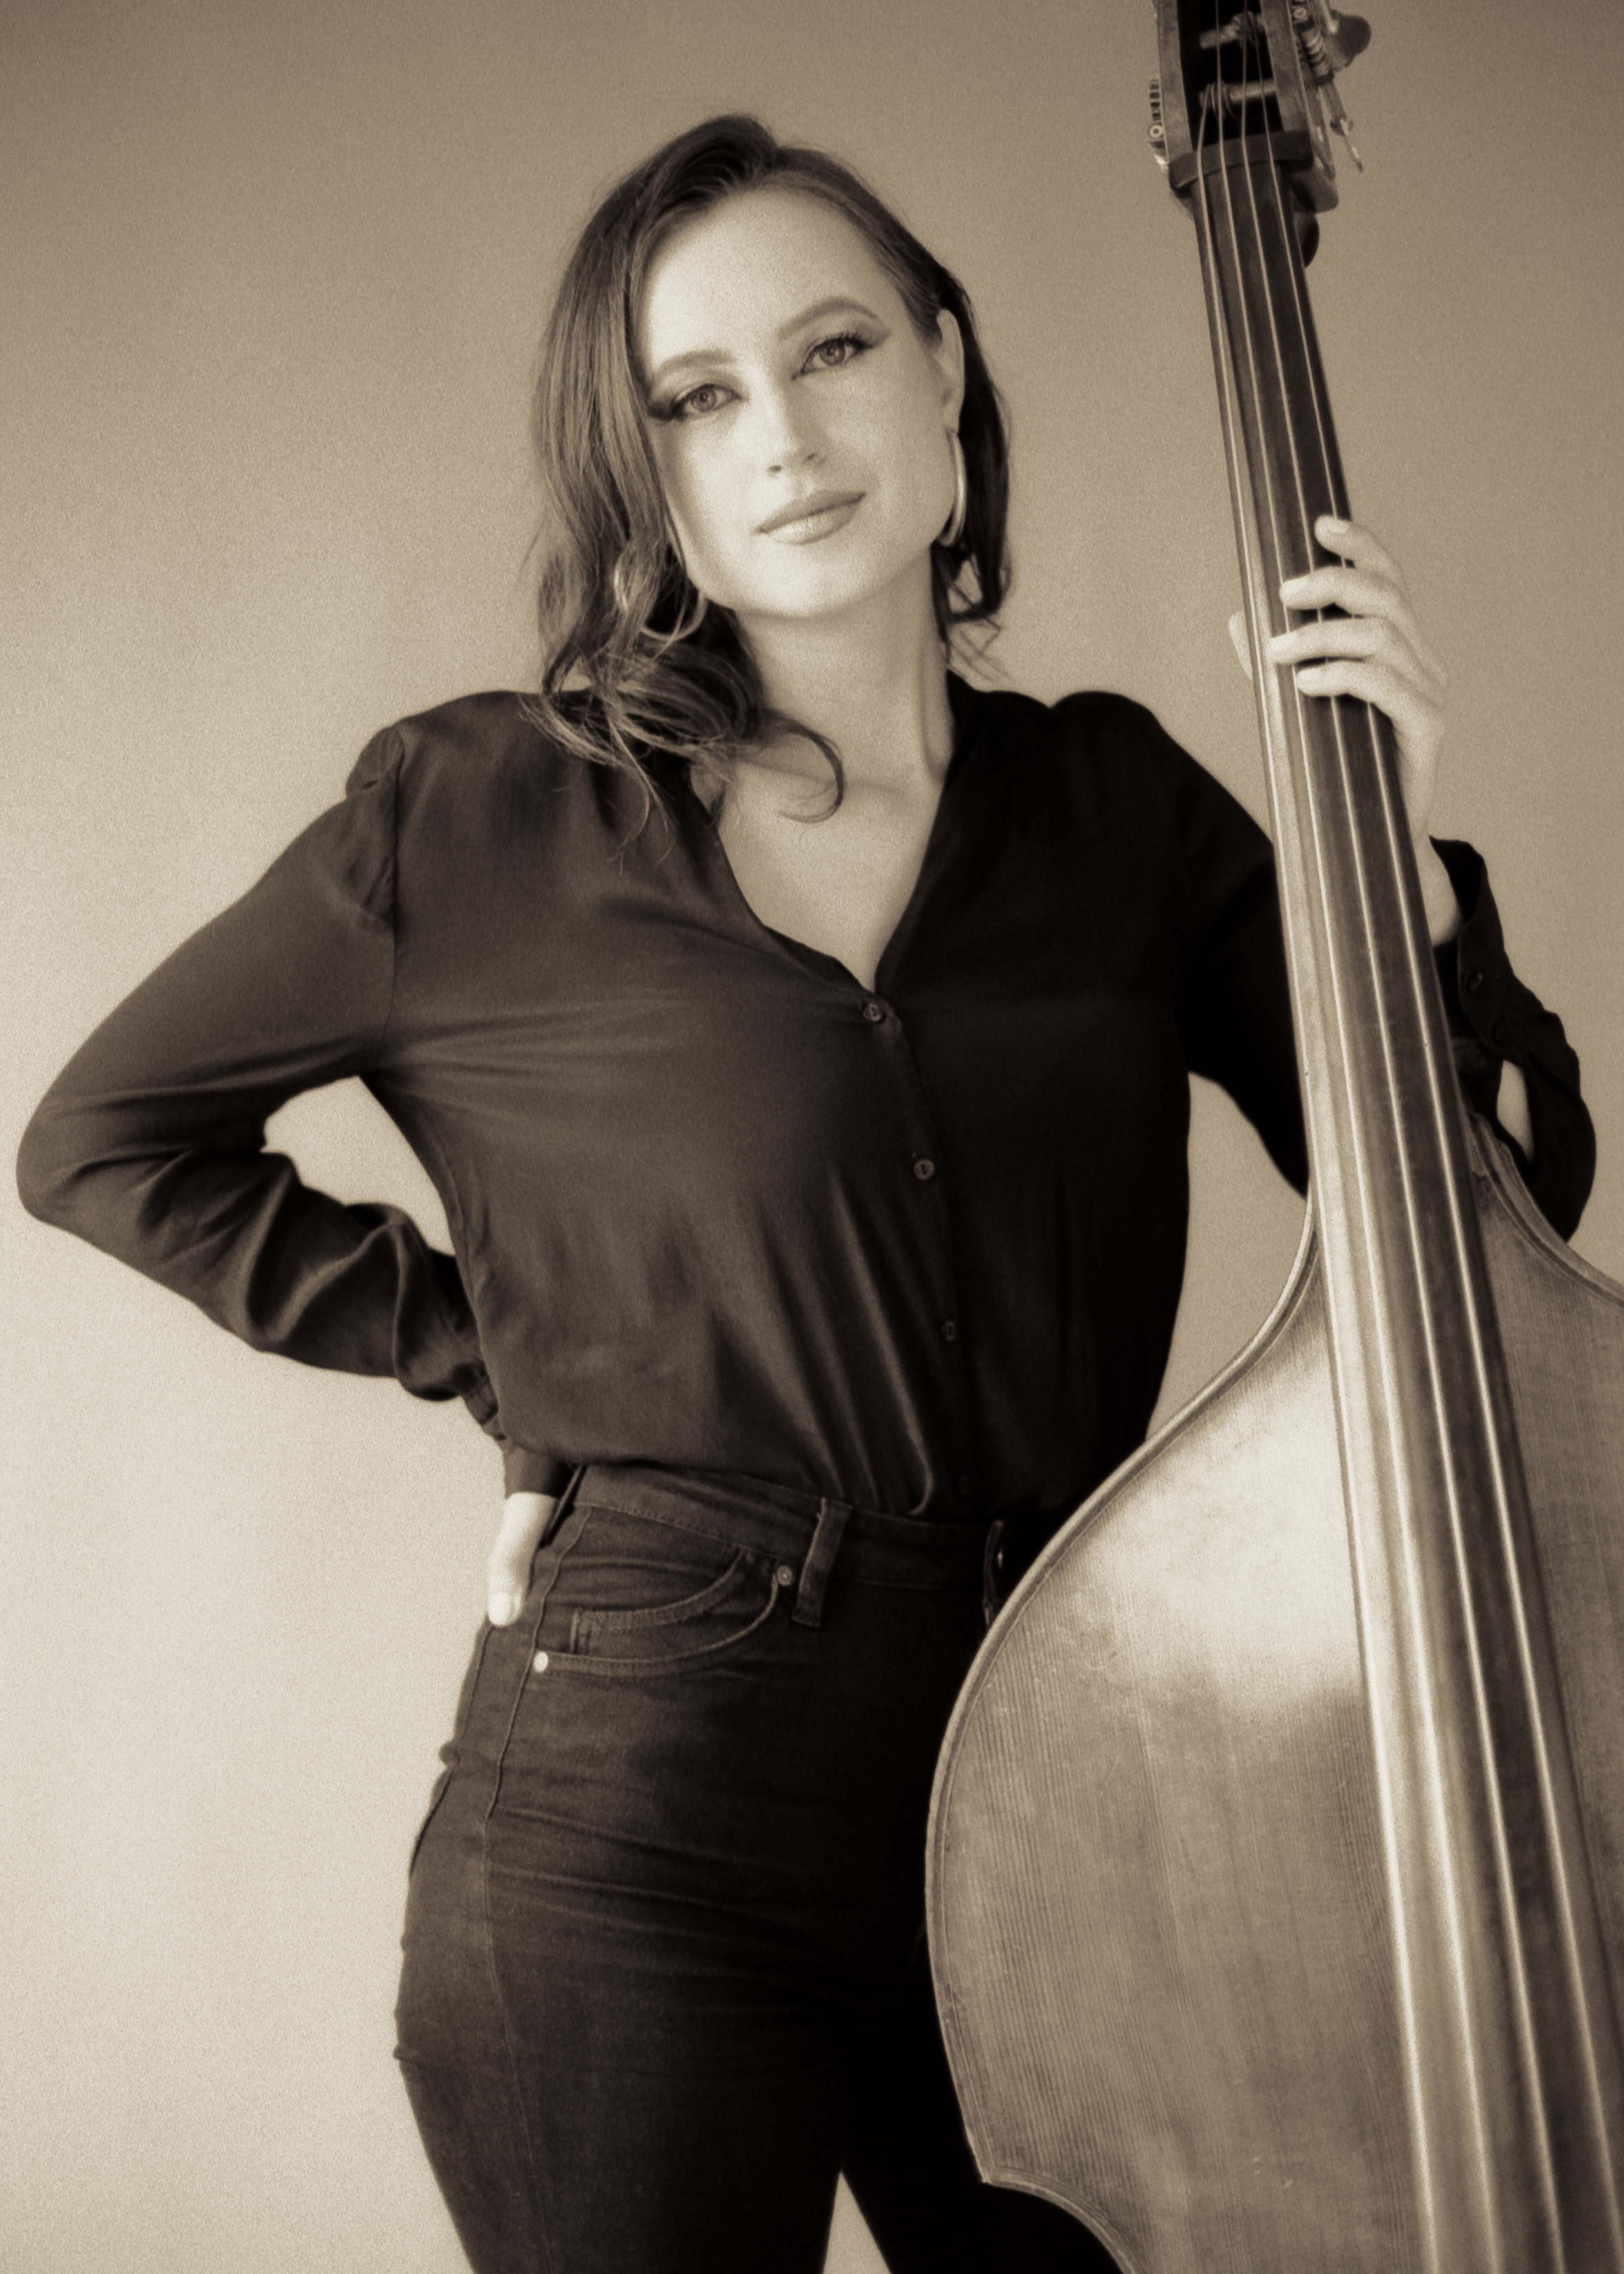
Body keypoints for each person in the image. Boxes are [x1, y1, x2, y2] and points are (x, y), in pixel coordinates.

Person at [15, 114, 1595, 2274]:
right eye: (697, 396)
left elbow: (1475, 1226)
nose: (784, 433)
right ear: (641, 466)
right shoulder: (479, 816)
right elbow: (95, 1143)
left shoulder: (1120, 810)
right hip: (645, 1802)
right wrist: (516, 1355)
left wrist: (1395, 859)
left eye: (836, 346)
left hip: (1076, 1778)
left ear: (945, 369)